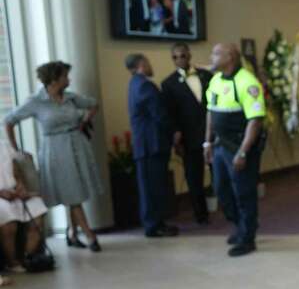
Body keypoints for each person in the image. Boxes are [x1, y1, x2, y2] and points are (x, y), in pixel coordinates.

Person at [4, 61, 103, 252]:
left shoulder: (71, 98)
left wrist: (85, 120)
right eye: (65, 76)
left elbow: (93, 105)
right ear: (54, 79)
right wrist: (17, 150)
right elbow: (9, 121)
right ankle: (90, 235)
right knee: (72, 194)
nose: (69, 79)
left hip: (76, 146)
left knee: (73, 192)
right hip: (55, 151)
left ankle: (72, 234)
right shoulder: (36, 102)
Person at [205, 43, 265, 257]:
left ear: (230, 57)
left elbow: (255, 121)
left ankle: (247, 238)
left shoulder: (247, 82)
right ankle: (241, 226)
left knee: (244, 192)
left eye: (216, 53)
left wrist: (243, 151)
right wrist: (207, 142)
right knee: (221, 190)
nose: (211, 56)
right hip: (220, 145)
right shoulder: (215, 80)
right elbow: (210, 112)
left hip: (239, 146)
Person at [126, 54, 179, 238]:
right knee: (153, 187)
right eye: (148, 62)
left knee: (151, 186)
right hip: (152, 144)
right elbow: (159, 113)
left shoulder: (134, 84)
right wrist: (174, 131)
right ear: (141, 64)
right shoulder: (145, 86)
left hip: (146, 145)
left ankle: (156, 223)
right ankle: (154, 225)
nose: (150, 66)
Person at [161, 43, 213, 224]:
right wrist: (176, 138)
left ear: (189, 56)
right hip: (189, 137)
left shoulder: (206, 75)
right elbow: (170, 113)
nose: (179, 60)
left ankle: (231, 208)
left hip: (211, 133)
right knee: (194, 178)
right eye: (174, 57)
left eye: (182, 56)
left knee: (220, 174)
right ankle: (201, 215)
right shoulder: (168, 84)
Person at [0, 138, 48, 275]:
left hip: (15, 193)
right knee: (9, 224)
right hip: (1, 197)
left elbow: (16, 170)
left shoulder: (3, 144)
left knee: (37, 212)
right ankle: (12, 263)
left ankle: (27, 258)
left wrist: (20, 185)